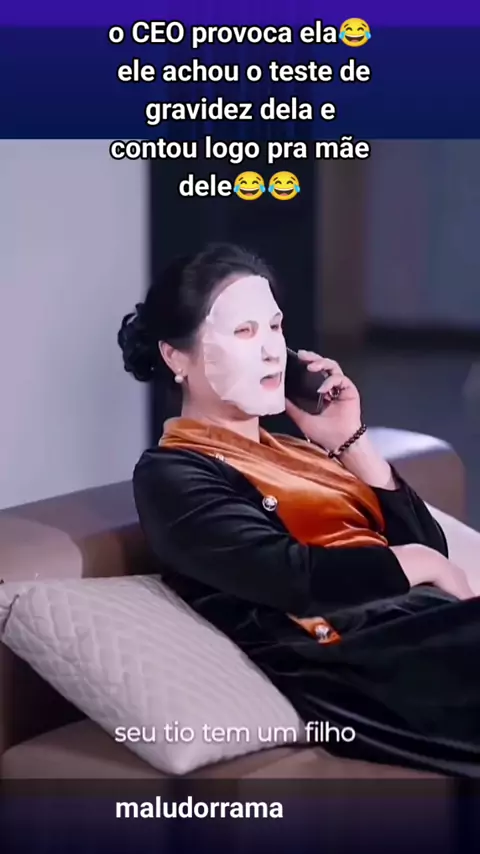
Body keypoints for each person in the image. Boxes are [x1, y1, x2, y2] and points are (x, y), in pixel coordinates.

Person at [118, 242, 480, 777]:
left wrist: (350, 442)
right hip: (355, 658)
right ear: (176, 357)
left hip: (421, 626)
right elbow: (292, 578)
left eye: (275, 327)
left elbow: (426, 542)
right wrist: (423, 563)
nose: (271, 351)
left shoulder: (298, 449)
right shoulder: (172, 473)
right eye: (244, 332)